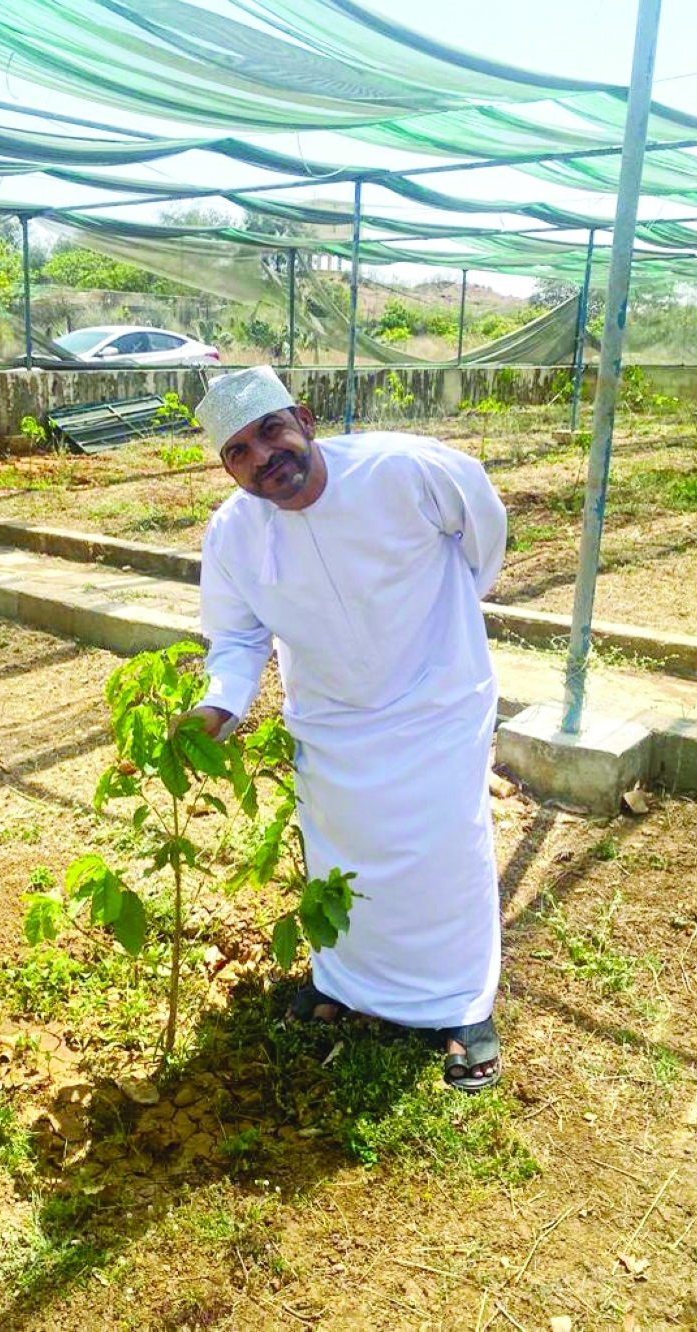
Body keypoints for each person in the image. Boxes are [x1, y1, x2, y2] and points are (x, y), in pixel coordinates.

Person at [191, 366, 507, 1092]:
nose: (262, 456)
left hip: (436, 700)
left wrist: (455, 609)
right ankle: (346, 982)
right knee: (344, 858)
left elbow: (482, 533)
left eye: (270, 430)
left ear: (303, 417)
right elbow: (237, 638)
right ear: (227, 467)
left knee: (444, 854)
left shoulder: (406, 469)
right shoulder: (234, 532)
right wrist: (219, 706)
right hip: (331, 719)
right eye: (237, 450)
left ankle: (461, 1006)